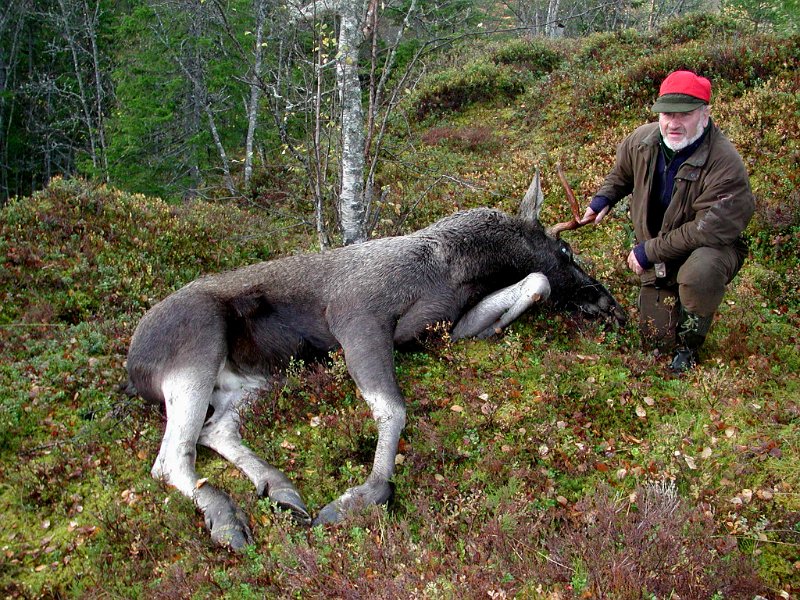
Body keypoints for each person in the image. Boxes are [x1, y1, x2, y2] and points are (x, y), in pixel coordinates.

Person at [580, 70, 755, 372]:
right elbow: (621, 175)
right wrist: (602, 200)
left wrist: (648, 252)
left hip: (708, 247)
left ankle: (689, 346)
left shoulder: (725, 164)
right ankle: (673, 295)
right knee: (655, 339)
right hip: (662, 252)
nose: (673, 123)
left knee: (699, 273)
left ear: (705, 114)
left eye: (684, 114)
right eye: (667, 113)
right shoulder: (642, 140)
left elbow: (705, 230)